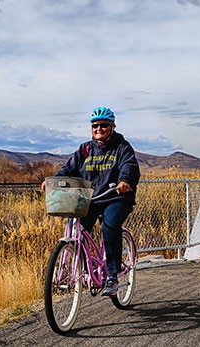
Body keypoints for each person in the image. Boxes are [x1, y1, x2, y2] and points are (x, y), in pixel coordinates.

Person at [44, 106, 140, 297]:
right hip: (92, 199)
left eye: (103, 125)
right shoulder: (85, 149)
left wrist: (125, 181)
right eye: (95, 125)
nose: (99, 129)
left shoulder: (122, 147)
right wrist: (52, 181)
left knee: (110, 226)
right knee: (79, 229)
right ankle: (85, 268)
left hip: (116, 197)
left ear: (112, 126)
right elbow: (69, 168)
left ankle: (112, 276)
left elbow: (129, 166)